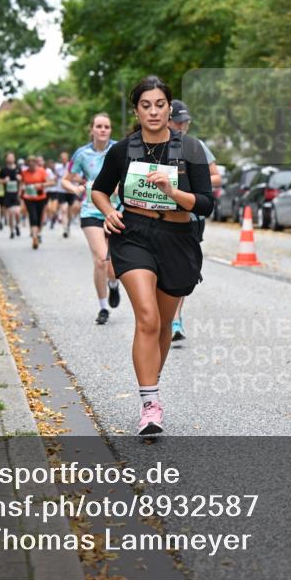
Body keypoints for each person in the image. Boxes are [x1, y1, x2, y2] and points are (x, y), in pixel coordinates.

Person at [91, 76, 214, 435]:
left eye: (160, 104)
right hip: (134, 235)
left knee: (161, 325)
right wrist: (108, 212)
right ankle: (150, 405)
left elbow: (206, 203)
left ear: (169, 108)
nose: (154, 111)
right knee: (146, 317)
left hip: (178, 236)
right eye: (146, 105)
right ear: (136, 110)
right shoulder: (123, 150)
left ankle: (151, 384)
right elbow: (99, 190)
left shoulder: (190, 149)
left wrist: (174, 192)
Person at [166, 100, 222, 342]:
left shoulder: (195, 146)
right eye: (178, 121)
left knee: (179, 268)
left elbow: (216, 177)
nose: (182, 126)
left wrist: (194, 185)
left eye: (185, 122)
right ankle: (162, 314)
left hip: (192, 217)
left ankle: (175, 319)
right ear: (168, 120)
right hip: (159, 216)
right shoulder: (152, 145)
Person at [63, 112, 121, 324]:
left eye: (106, 126)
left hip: (115, 211)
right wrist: (76, 188)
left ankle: (114, 284)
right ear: (92, 130)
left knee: (113, 265)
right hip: (90, 211)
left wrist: (121, 186)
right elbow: (65, 180)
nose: (103, 130)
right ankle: (103, 307)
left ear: (110, 130)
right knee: (100, 260)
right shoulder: (82, 154)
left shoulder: (119, 150)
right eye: (99, 126)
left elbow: (131, 175)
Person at [20, 156, 49, 249]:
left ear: (36, 164)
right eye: (29, 164)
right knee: (33, 216)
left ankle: (38, 232)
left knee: (40, 217)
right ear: (27, 165)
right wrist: (23, 188)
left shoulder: (41, 171)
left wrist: (41, 185)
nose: (31, 166)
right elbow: (22, 183)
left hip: (41, 197)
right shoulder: (24, 173)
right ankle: (35, 237)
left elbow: (51, 182)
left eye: (33, 164)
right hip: (29, 198)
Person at [0, 152, 21, 239]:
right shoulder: (3, 170)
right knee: (11, 214)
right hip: (8, 194)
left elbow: (23, 181)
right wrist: (4, 180)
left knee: (18, 213)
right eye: (9, 157)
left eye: (12, 157)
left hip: (17, 194)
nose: (11, 158)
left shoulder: (18, 169)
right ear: (6, 159)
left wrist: (20, 191)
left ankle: (17, 225)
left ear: (14, 158)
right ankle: (12, 231)